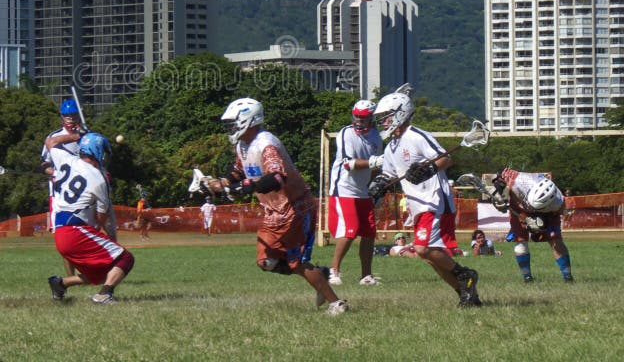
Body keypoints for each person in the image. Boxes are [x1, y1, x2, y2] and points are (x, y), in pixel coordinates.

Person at [203, 98, 347, 316]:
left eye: (234, 123)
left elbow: (277, 177)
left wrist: (247, 186)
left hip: (293, 207)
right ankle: (321, 275)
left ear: (248, 120)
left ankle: (336, 303)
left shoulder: (266, 144)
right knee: (267, 262)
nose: (231, 128)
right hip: (275, 210)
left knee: (296, 261)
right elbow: (238, 171)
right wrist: (221, 183)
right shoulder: (243, 144)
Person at [368, 90, 482, 307]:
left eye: (387, 117)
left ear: (401, 114)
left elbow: (445, 159)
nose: (383, 122)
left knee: (422, 249)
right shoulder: (392, 145)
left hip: (434, 200)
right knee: (431, 257)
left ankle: (465, 273)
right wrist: (379, 184)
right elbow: (390, 172)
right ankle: (467, 295)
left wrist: (427, 170)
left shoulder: (416, 136)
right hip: (417, 205)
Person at [46, 132, 135, 304]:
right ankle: (104, 295)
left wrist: (74, 136)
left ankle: (60, 284)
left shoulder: (67, 159)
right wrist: (111, 239)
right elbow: (102, 218)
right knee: (125, 259)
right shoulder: (98, 178)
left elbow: (50, 141)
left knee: (104, 272)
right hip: (76, 232)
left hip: (60, 232)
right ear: (98, 153)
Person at [327, 99, 384, 286]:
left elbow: (376, 168)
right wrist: (375, 162)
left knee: (369, 233)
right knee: (350, 231)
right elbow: (348, 164)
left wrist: (376, 184)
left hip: (363, 190)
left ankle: (366, 275)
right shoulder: (346, 133)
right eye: (357, 116)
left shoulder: (376, 136)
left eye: (364, 117)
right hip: (344, 188)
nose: (359, 120)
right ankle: (333, 271)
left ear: (371, 118)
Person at [492, 168, 573, 283]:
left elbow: (557, 217)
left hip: (547, 214)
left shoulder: (558, 203)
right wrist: (500, 197)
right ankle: (527, 278)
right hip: (519, 209)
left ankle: (568, 277)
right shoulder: (516, 179)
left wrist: (541, 225)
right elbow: (498, 177)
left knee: (556, 240)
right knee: (520, 242)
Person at [40, 99, 85, 277]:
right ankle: (71, 277)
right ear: (61, 117)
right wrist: (54, 173)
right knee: (64, 238)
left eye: (73, 116)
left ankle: (87, 272)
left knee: (85, 234)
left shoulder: (86, 136)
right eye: (67, 116)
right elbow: (44, 164)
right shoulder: (54, 137)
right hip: (59, 195)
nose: (71, 120)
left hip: (83, 193)